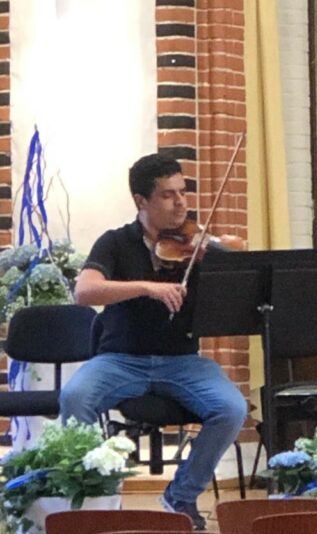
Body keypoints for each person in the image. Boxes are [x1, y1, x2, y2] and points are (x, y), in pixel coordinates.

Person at [59, 154, 248, 530]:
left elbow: (242, 269)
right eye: (167, 195)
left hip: (182, 360)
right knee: (75, 397)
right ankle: (95, 494)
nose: (180, 203)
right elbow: (85, 291)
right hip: (121, 359)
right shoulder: (115, 242)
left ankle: (181, 497)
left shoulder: (197, 245)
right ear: (141, 201)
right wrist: (148, 287)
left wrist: (228, 252)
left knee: (232, 408)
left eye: (183, 192)